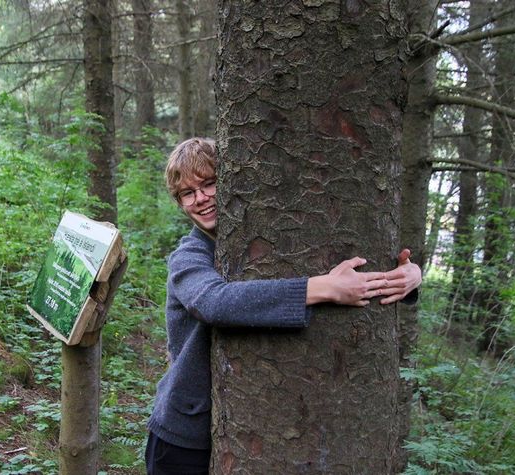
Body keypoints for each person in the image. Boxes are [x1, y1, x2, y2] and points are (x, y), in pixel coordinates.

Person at [145, 137, 421, 475]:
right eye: (188, 193)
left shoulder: (264, 242)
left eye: (209, 184)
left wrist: (406, 278)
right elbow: (213, 302)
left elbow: (353, 279)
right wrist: (320, 287)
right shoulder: (188, 257)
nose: (200, 199)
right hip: (181, 438)